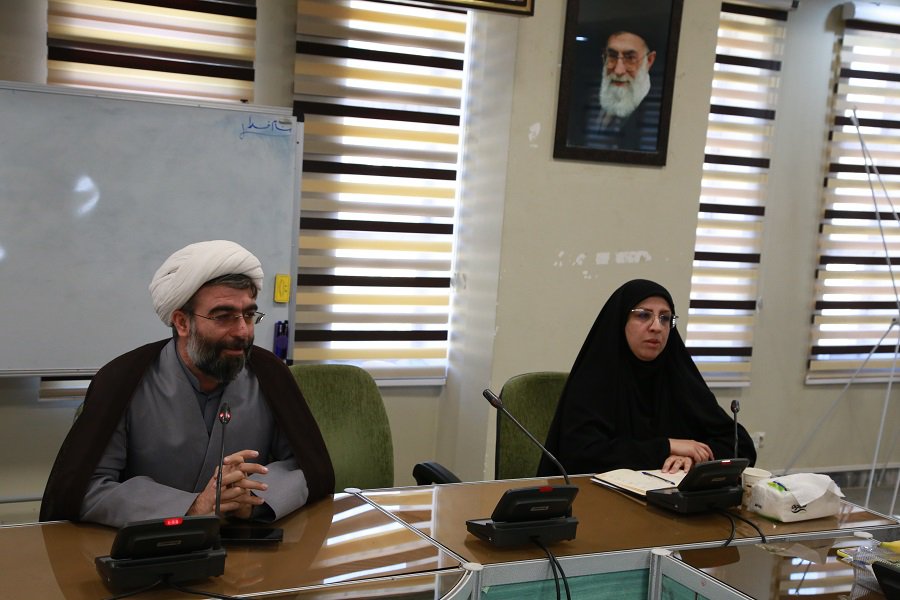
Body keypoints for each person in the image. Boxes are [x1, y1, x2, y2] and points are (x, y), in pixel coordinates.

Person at [40, 240, 335, 527]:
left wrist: (252, 500)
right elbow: (88, 488)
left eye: (248, 315)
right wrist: (193, 507)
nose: (243, 332)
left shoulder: (270, 375)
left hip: (244, 545)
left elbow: (305, 466)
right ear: (182, 322)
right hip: (150, 547)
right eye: (224, 316)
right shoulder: (124, 380)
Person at [538, 279, 756, 477]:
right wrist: (667, 447)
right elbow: (582, 456)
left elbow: (741, 445)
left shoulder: (679, 376)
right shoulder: (594, 379)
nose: (656, 327)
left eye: (665, 318)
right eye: (643, 315)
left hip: (673, 500)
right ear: (621, 320)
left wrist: (693, 459)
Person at [592, 30, 659, 151]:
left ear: (649, 61)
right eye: (612, 56)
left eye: (630, 58)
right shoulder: (593, 101)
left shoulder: (655, 112)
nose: (618, 71)